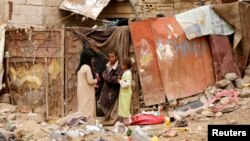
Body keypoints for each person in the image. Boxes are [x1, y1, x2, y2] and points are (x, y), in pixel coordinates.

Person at [99, 50, 121, 125]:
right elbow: (104, 73)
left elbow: (115, 79)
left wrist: (106, 77)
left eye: (112, 57)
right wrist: (106, 76)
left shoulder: (118, 67)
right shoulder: (108, 65)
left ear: (116, 57)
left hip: (113, 89)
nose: (111, 59)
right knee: (104, 103)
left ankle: (111, 119)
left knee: (111, 104)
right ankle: (107, 118)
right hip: (106, 88)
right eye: (109, 57)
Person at [76, 51, 99, 121]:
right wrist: (97, 80)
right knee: (88, 107)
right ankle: (88, 121)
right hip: (87, 91)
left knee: (83, 107)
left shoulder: (80, 68)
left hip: (81, 90)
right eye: (91, 58)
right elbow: (90, 81)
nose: (92, 60)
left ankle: (81, 120)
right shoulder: (87, 68)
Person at [118, 58, 133, 123]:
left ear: (126, 66)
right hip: (124, 94)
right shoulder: (126, 72)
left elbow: (126, 84)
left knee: (125, 108)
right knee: (124, 107)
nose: (121, 66)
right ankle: (125, 122)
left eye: (123, 65)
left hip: (126, 94)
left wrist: (120, 81)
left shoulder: (128, 73)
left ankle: (126, 122)